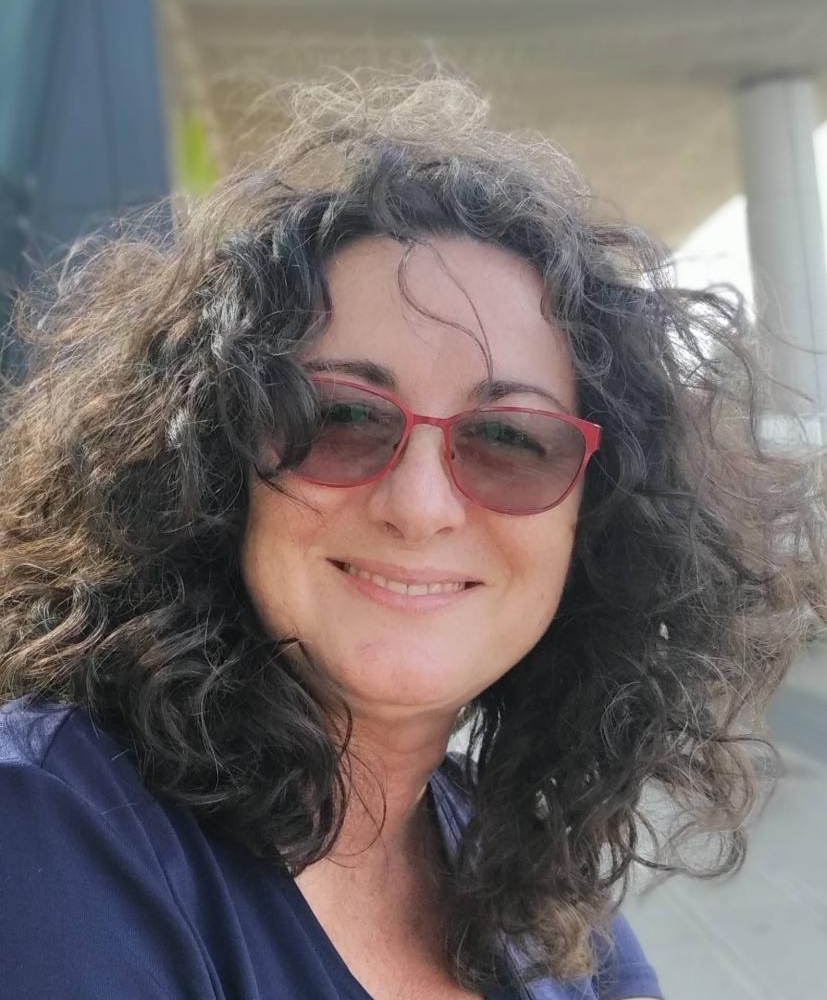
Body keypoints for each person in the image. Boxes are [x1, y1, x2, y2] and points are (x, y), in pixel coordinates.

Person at [0, 74, 824, 1000]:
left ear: (596, 521)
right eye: (341, 417)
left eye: (510, 439)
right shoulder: (48, 834)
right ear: (214, 462)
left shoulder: (535, 893)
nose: (420, 504)